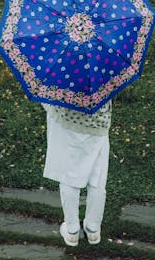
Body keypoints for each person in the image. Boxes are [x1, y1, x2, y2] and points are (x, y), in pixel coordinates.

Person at [42, 98, 112, 247]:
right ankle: (93, 229)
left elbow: (49, 99)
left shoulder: (63, 76)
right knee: (97, 177)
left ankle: (72, 230)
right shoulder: (103, 78)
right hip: (98, 125)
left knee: (69, 176)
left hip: (68, 123)